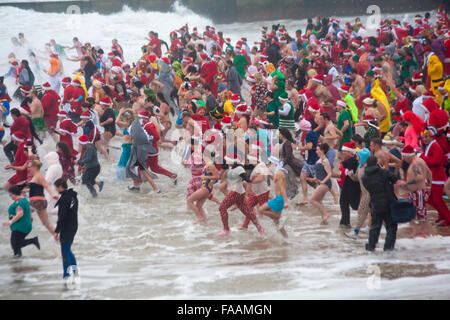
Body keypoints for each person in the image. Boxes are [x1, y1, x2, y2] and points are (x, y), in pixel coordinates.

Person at [218, 153, 264, 236]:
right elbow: (222, 164)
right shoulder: (231, 166)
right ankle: (260, 228)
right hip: (239, 192)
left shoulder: (239, 168)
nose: (226, 161)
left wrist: (250, 181)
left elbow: (245, 178)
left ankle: (226, 229)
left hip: (236, 191)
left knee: (222, 208)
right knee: (248, 212)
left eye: (228, 159)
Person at [362, 156, 401, 251]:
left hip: (375, 204)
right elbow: (395, 179)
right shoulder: (383, 172)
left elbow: (368, 188)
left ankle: (371, 247)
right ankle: (388, 248)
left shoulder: (365, 177)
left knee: (375, 227)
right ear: (376, 163)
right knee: (391, 226)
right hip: (388, 203)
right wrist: (383, 169)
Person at [3, 185, 40, 258]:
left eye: (10, 194)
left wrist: (10, 222)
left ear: (14, 194)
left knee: (15, 243)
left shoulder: (20, 202)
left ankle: (33, 240)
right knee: (16, 244)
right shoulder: (23, 200)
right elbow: (28, 210)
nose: (10, 196)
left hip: (20, 227)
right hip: (22, 226)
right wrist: (30, 217)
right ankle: (18, 259)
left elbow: (20, 214)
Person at [54, 178, 79, 280]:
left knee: (65, 251)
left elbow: (62, 216)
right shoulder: (73, 196)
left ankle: (66, 274)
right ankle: (75, 271)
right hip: (73, 226)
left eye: (56, 188)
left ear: (60, 187)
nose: (55, 189)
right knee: (67, 249)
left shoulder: (64, 199)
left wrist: (57, 231)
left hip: (66, 227)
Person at [28, 160, 59, 235]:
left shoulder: (39, 175)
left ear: (35, 167)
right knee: (46, 224)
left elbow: (46, 186)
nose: (28, 168)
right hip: (39, 201)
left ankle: (20, 236)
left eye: (29, 167)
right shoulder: (36, 176)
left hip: (36, 201)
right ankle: (58, 236)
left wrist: (53, 194)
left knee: (20, 209)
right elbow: (35, 188)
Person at [258, 164, 288, 238]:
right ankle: (286, 239)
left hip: (279, 199)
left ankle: (279, 217)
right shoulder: (277, 173)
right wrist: (267, 172)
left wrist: (285, 201)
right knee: (277, 224)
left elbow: (282, 188)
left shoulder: (279, 173)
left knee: (261, 209)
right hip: (278, 198)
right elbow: (274, 179)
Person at [309, 143, 333, 225]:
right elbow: (320, 174)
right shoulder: (319, 160)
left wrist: (323, 182)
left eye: (317, 150)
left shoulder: (325, 161)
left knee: (312, 200)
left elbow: (330, 174)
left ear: (322, 151)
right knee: (319, 201)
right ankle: (324, 217)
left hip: (325, 184)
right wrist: (313, 179)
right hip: (321, 183)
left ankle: (325, 214)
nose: (316, 151)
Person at [338, 142, 360, 228]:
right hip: (348, 185)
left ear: (350, 152)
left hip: (352, 186)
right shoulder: (349, 160)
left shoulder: (351, 161)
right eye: (343, 151)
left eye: (345, 151)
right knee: (344, 202)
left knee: (355, 205)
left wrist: (343, 169)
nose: (343, 153)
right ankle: (345, 222)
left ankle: (345, 222)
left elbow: (350, 173)